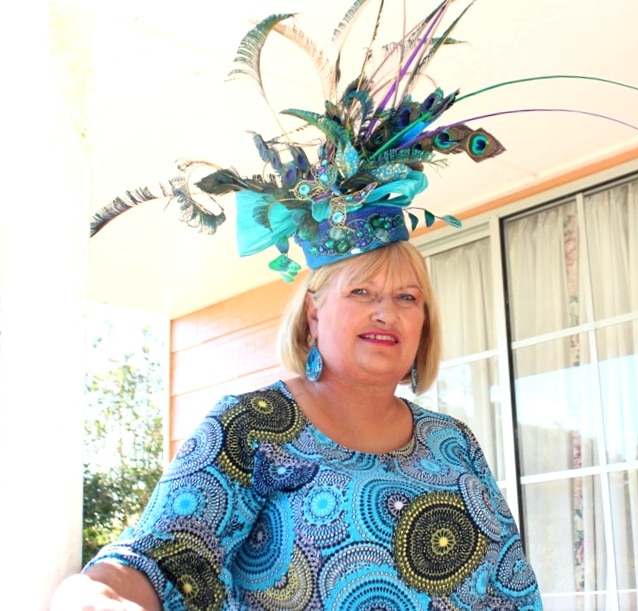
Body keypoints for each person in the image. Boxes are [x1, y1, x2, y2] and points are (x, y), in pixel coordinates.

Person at [53, 1, 543, 608]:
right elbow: (163, 558)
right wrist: (91, 597)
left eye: (406, 298)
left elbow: (512, 589)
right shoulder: (253, 426)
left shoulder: (454, 442)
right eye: (361, 292)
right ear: (314, 313)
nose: (386, 312)